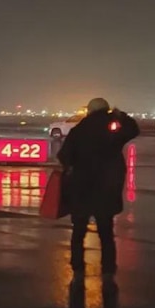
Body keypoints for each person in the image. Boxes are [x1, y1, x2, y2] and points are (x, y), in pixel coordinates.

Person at [57, 98, 139, 280]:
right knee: (106, 233)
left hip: (82, 189)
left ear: (89, 111)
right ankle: (108, 269)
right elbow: (134, 130)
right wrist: (122, 116)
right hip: (106, 189)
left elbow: (63, 155)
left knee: (78, 231)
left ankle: (77, 267)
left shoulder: (78, 130)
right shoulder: (113, 129)